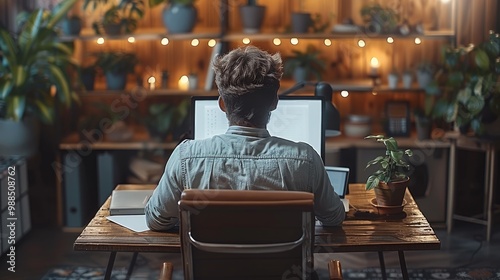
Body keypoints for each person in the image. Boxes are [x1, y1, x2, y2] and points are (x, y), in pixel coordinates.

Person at [145, 46, 345, 231]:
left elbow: (156, 220)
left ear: (222, 104)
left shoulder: (185, 157)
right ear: (274, 102)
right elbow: (334, 218)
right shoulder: (306, 159)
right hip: (279, 270)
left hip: (211, 270)